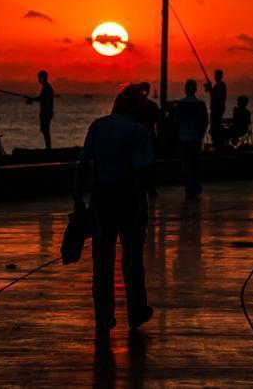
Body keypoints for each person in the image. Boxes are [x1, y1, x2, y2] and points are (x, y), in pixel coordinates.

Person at [73, 85, 155, 334]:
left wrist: (78, 196)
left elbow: (84, 162)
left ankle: (104, 314)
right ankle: (136, 311)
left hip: (101, 198)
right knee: (132, 258)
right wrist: (141, 205)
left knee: (102, 259)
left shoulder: (98, 126)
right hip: (128, 198)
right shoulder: (139, 132)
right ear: (134, 108)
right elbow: (142, 173)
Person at [173, 79, 208, 200]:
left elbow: (175, 122)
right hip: (196, 138)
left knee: (185, 164)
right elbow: (205, 122)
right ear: (195, 89)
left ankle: (188, 188)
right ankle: (195, 185)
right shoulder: (200, 104)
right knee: (195, 164)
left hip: (183, 138)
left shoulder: (180, 104)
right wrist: (201, 134)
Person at [132, 81, 162, 197]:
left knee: (148, 165)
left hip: (147, 139)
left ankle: (150, 188)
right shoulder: (151, 106)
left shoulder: (138, 107)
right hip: (146, 139)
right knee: (149, 165)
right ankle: (150, 188)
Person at [26, 70, 55, 150]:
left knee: (45, 130)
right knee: (44, 130)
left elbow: (41, 98)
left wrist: (31, 99)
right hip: (45, 112)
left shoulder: (47, 87)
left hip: (46, 112)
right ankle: (48, 147)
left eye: (39, 77)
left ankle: (48, 148)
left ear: (44, 78)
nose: (38, 79)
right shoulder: (45, 87)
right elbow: (41, 98)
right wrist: (31, 99)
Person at [205, 69, 227, 151]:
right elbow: (211, 93)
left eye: (217, 75)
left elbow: (215, 96)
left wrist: (210, 88)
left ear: (220, 76)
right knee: (214, 128)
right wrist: (210, 88)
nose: (215, 76)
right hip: (216, 109)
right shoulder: (217, 85)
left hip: (217, 110)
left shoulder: (221, 85)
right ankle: (216, 145)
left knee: (215, 129)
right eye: (215, 75)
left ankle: (218, 146)